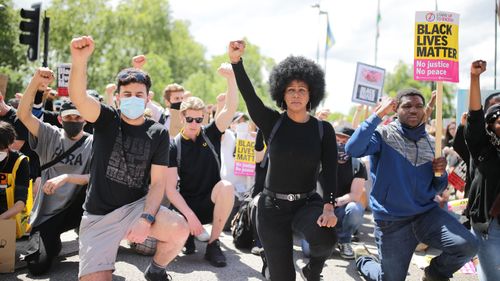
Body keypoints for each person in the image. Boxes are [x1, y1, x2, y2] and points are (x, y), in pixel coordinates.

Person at [69, 35, 189, 281]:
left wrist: (146, 219)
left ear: (148, 98)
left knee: (180, 229)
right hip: (99, 216)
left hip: (136, 208)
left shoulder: (157, 133)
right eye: (126, 94)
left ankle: (156, 270)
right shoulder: (106, 119)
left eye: (138, 94)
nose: (132, 98)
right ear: (117, 97)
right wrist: (79, 61)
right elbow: (79, 98)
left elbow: (157, 184)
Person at [229, 40, 338, 281]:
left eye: (302, 89)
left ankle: (313, 270)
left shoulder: (323, 129)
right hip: (271, 208)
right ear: (282, 93)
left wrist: (329, 207)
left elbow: (330, 172)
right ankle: (272, 262)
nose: (296, 94)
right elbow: (250, 97)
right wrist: (236, 63)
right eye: (290, 89)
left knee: (327, 239)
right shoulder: (272, 122)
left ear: (311, 94)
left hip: (307, 204)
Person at [346, 88, 479, 281]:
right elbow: (352, 149)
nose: (413, 110)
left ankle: (434, 274)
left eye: (418, 106)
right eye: (407, 106)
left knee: (468, 245)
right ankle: (364, 261)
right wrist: (377, 115)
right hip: (392, 222)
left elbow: (438, 188)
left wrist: (440, 173)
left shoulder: (433, 143)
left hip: (427, 216)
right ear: (396, 109)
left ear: (424, 111)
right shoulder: (383, 135)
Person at [17, 69, 93, 275]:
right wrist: (35, 82)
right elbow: (23, 115)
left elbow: (97, 178)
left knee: (99, 193)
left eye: (78, 116)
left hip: (78, 208)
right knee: (37, 267)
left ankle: (94, 242)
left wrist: (67, 177)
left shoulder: (93, 143)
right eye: (69, 117)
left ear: (85, 119)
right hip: (47, 213)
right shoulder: (50, 135)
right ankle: (51, 243)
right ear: (60, 119)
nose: (74, 120)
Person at [165, 63, 238, 268]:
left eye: (199, 119)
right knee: (178, 235)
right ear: (182, 117)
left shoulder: (212, 133)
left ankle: (213, 244)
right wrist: (189, 216)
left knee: (227, 186)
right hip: (184, 207)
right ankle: (186, 235)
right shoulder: (173, 145)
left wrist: (231, 79)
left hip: (209, 203)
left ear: (204, 118)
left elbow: (230, 108)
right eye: (190, 119)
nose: (195, 124)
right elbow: (170, 189)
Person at [465, 60, 500, 281]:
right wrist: (475, 78)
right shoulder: (483, 148)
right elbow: (475, 117)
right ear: (490, 124)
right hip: (490, 226)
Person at [0, 121, 30, 234]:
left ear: (10, 144)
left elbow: (20, 203)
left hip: (9, 218)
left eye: (1, 149)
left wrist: (1, 219)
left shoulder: (20, 162)